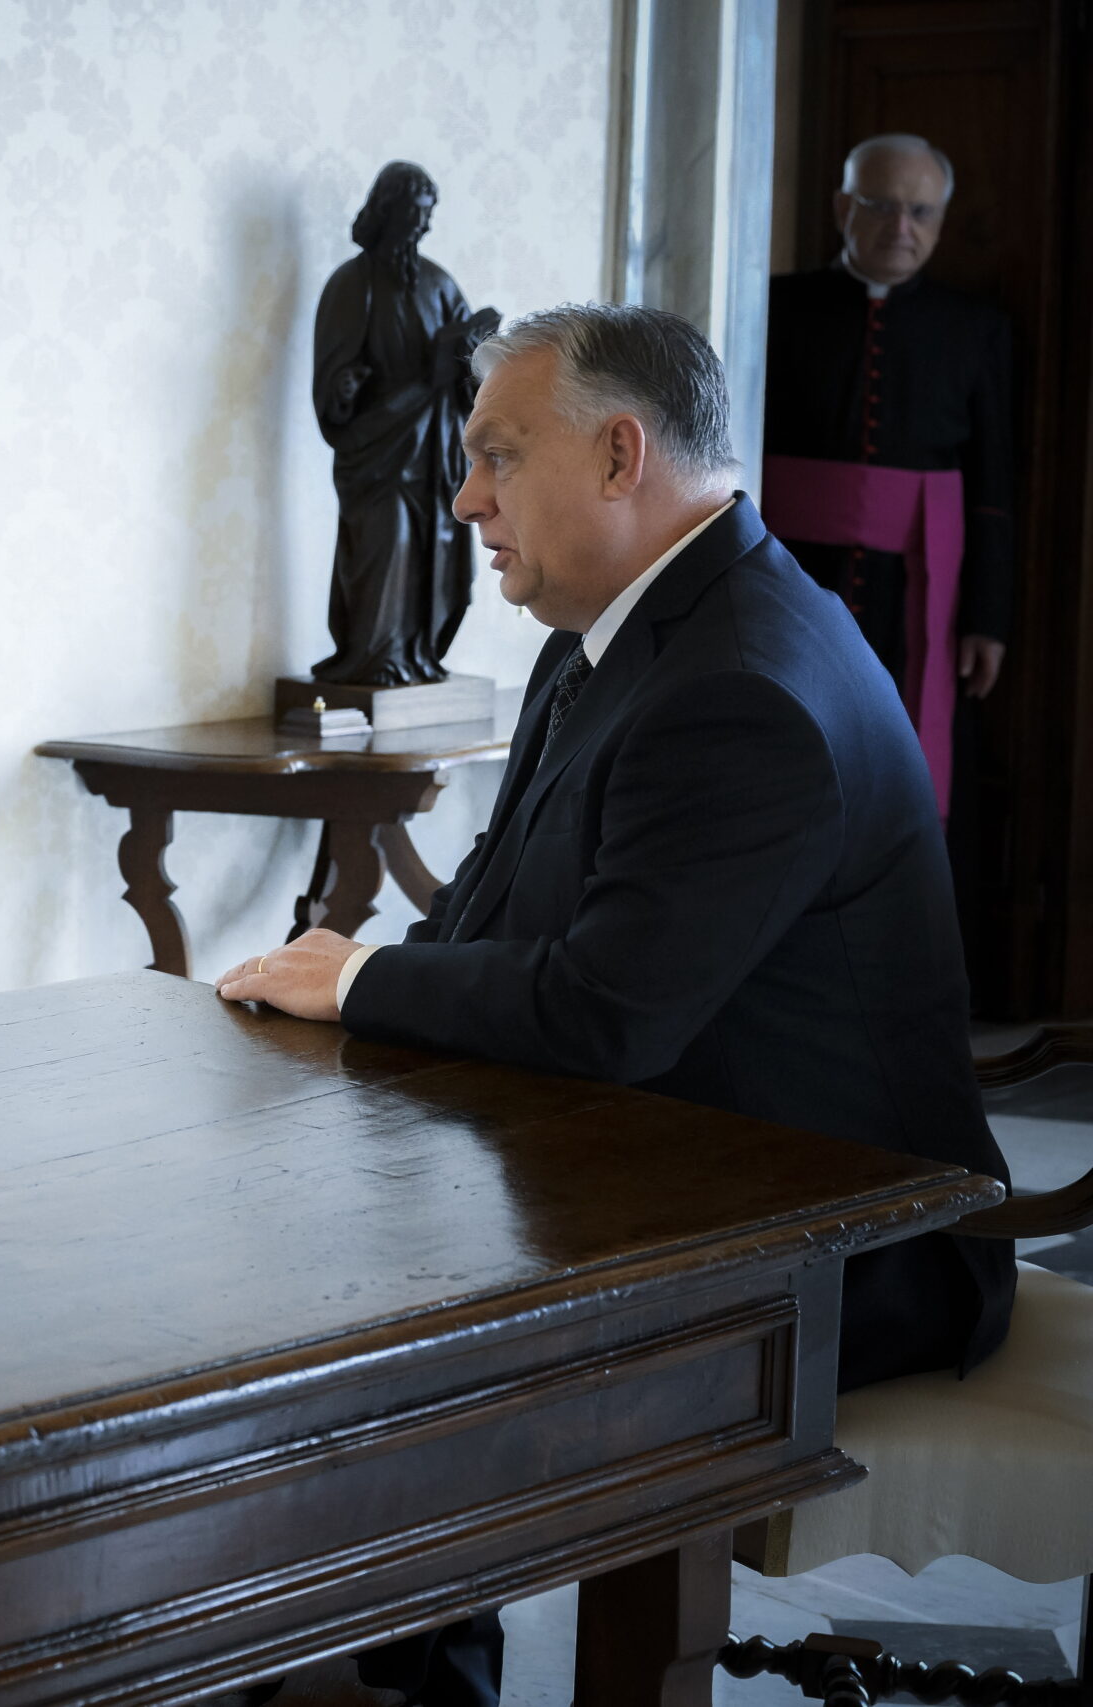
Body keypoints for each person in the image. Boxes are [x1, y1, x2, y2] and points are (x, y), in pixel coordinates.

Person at [216, 302, 1016, 1707]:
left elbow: (604, 1014)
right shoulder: (612, 632)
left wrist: (354, 979)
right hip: (677, 1169)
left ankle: (397, 1679)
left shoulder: (742, 684)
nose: (463, 501)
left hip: (844, 1245)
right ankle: (359, 1661)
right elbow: (485, 913)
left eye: (496, 456)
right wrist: (347, 986)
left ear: (618, 455)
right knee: (307, 1256)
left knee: (386, 1325)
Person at [763, 134, 1015, 816]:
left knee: (900, 762)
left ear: (940, 219)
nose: (902, 227)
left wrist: (988, 617)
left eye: (921, 211)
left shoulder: (976, 329)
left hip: (916, 588)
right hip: (794, 571)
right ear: (843, 207)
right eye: (880, 206)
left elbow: (992, 488)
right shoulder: (777, 305)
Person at [308, 161, 499, 687]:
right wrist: (345, 389)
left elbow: (475, 372)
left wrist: (469, 357)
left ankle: (419, 657)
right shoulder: (353, 285)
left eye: (428, 214)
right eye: (415, 213)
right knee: (384, 547)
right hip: (379, 449)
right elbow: (332, 376)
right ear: (387, 210)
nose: (423, 225)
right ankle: (375, 661)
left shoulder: (439, 284)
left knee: (438, 557)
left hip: (436, 452)